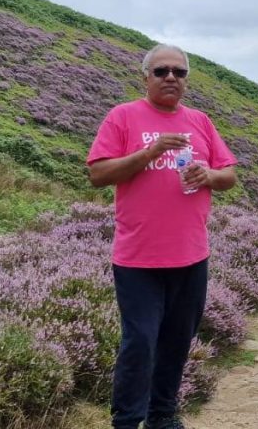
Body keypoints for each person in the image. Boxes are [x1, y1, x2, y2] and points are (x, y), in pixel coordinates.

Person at [87, 44, 238, 429]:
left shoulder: (200, 121)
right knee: (139, 342)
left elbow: (229, 176)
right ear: (146, 77)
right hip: (138, 258)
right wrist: (148, 153)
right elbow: (99, 174)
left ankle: (163, 416)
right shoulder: (122, 117)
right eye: (161, 71)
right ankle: (127, 420)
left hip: (191, 256)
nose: (171, 77)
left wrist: (208, 175)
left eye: (179, 72)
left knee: (177, 341)